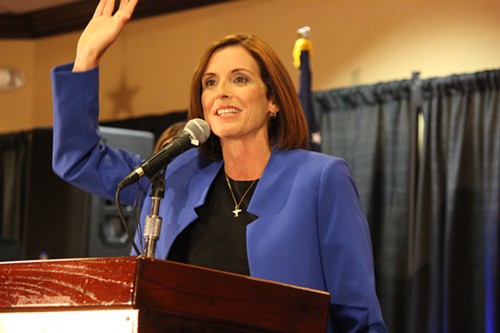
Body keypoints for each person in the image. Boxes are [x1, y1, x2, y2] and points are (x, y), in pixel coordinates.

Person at [50, 0, 387, 331]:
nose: (220, 92)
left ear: (272, 100)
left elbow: (357, 315)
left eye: (239, 79)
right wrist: (87, 58)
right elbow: (80, 158)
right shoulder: (177, 175)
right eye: (210, 82)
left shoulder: (320, 179)